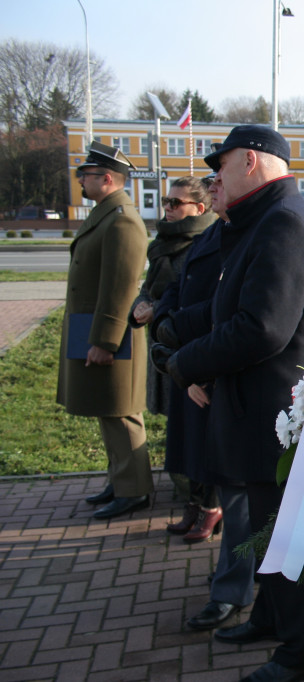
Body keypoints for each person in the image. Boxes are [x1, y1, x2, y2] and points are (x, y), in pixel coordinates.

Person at [152, 125, 304, 682]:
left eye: (221, 166)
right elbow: (228, 307)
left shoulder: (285, 223)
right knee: (268, 532)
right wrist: (175, 327)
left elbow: (261, 328)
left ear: (250, 161)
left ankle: (302, 653)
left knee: (287, 538)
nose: (214, 179)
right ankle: (272, 620)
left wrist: (185, 364)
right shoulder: (261, 222)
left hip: (279, 414)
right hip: (262, 412)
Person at [152, 169, 257, 631]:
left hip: (218, 378)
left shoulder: (247, 235)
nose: (213, 188)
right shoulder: (213, 233)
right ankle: (232, 577)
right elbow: (174, 295)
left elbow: (236, 318)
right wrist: (168, 336)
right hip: (195, 372)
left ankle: (233, 589)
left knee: (236, 493)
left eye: (220, 179)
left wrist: (195, 364)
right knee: (220, 481)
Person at [58, 141, 153, 520]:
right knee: (107, 411)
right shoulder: (107, 214)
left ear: (108, 178)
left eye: (87, 175)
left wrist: (104, 341)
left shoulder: (123, 220)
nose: (81, 180)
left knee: (121, 413)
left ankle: (135, 490)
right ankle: (121, 480)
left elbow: (121, 287)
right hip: (95, 330)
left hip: (112, 337)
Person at [131, 176, 218, 542]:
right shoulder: (162, 244)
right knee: (180, 432)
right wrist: (145, 307)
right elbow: (156, 288)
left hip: (193, 350)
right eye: (166, 202)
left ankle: (210, 506)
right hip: (168, 347)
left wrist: (167, 318)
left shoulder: (207, 241)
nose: (167, 209)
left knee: (200, 434)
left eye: (175, 203)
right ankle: (194, 503)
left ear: (199, 208)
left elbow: (207, 302)